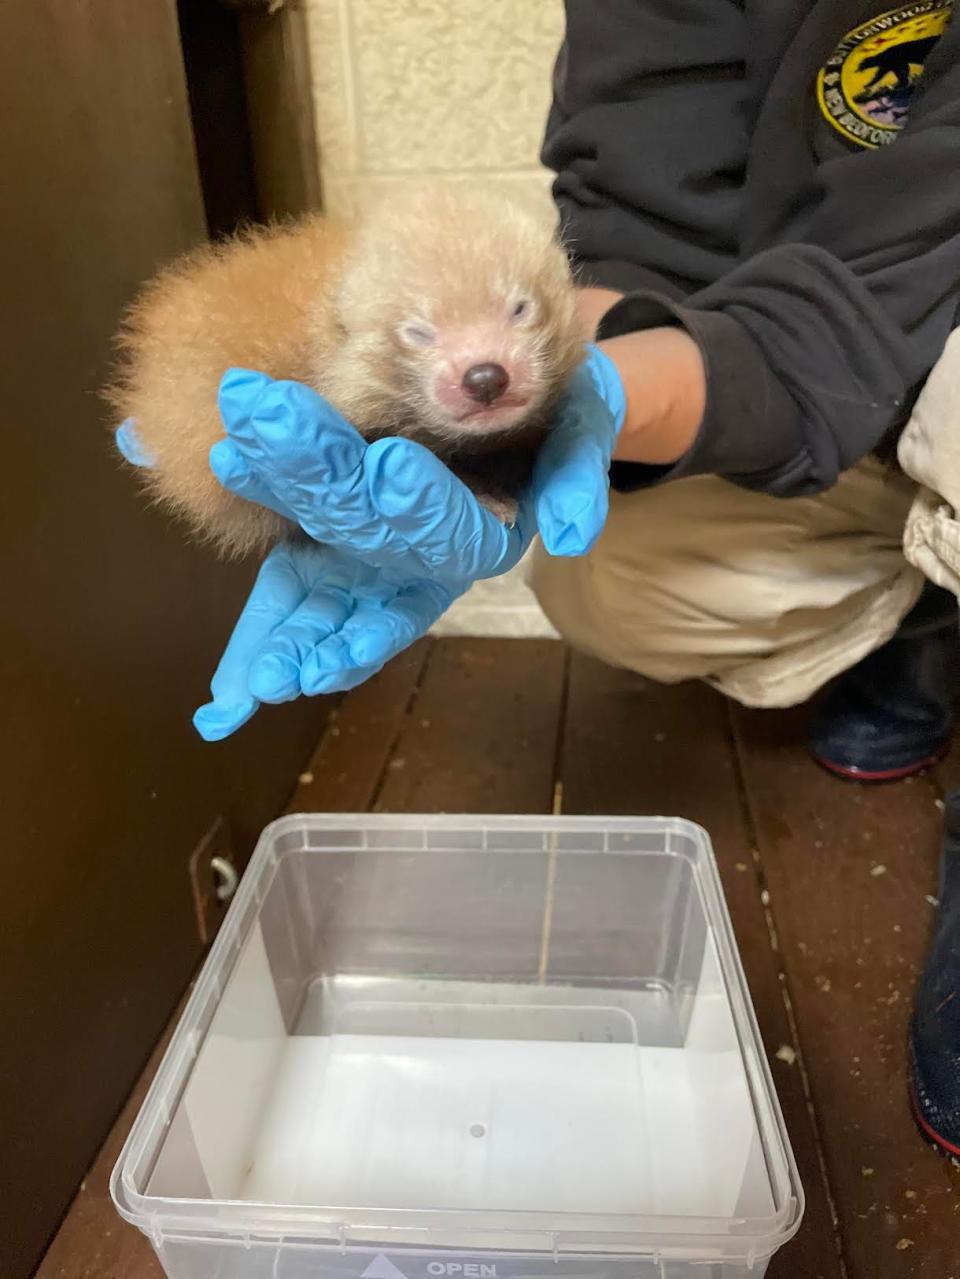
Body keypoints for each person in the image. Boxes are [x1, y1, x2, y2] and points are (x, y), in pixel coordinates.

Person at [118, 1, 960, 1154]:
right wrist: (589, 405)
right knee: (608, 578)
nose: (478, 361)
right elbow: (632, 237)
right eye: (427, 342)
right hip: (796, 370)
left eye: (514, 317)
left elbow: (901, 274)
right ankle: (919, 606)